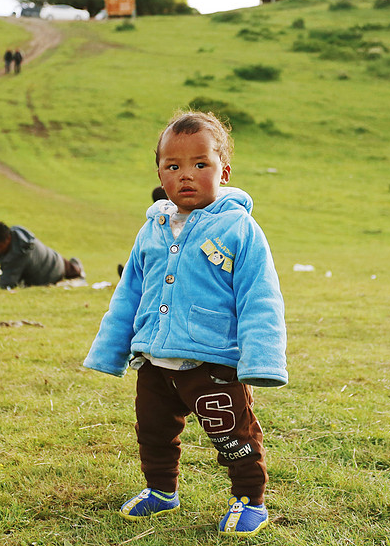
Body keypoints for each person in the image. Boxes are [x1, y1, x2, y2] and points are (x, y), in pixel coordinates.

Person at [84, 111, 287, 537]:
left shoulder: (239, 229)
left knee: (234, 436)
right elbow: (128, 293)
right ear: (160, 172)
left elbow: (259, 297)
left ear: (223, 171)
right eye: (173, 166)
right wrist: (110, 350)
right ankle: (161, 491)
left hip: (212, 365)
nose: (186, 175)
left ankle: (249, 498)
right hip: (155, 362)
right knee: (153, 432)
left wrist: (262, 361)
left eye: (200, 164)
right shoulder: (153, 228)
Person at [0, 222, 84, 289]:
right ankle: (75, 264)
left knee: (76, 271)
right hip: (55, 259)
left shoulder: (19, 254)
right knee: (71, 267)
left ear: (7, 239)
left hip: (54, 271)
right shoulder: (15, 236)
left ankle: (77, 265)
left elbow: (7, 283)